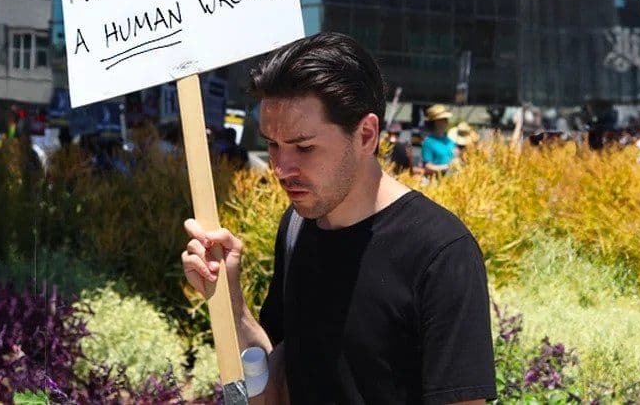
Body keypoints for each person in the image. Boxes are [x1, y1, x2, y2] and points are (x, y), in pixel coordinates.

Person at [180, 32, 496, 404]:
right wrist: (230, 299)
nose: (281, 168)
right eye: (272, 145)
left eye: (304, 147)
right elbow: (274, 388)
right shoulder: (297, 227)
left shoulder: (441, 253)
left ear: (365, 135)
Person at [421, 104, 458, 177]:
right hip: (436, 183)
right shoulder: (428, 143)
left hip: (451, 181)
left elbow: (455, 158)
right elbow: (427, 167)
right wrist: (448, 167)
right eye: (444, 119)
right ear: (436, 122)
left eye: (446, 119)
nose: (447, 122)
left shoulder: (449, 141)